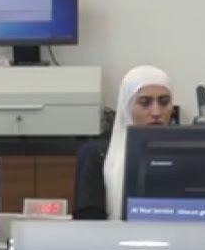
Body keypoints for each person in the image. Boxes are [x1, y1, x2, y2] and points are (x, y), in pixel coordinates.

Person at [73, 65, 174, 220]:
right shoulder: (98, 154)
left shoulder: (186, 153)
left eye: (164, 102)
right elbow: (88, 222)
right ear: (126, 106)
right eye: (145, 103)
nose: (156, 112)